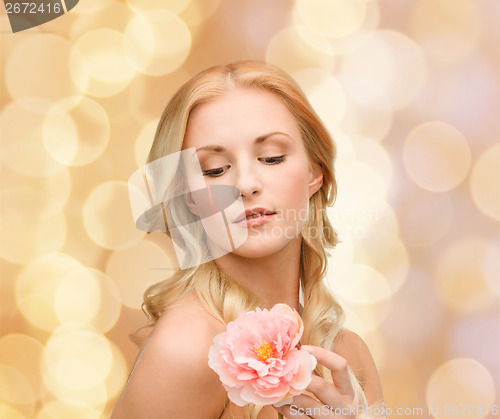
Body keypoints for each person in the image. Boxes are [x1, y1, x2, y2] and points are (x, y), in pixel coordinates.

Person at [112, 61, 385, 419]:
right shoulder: (187, 346)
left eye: (271, 157)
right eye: (214, 170)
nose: (245, 185)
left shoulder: (346, 355)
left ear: (315, 172)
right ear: (188, 196)